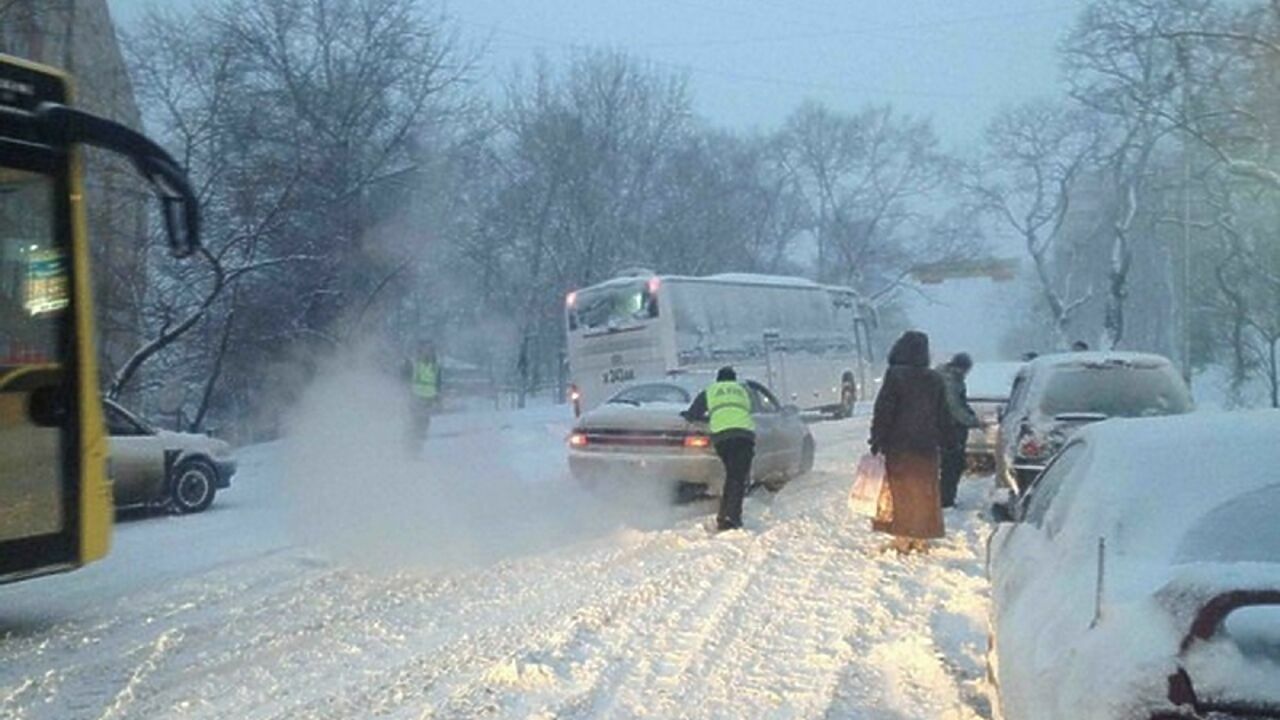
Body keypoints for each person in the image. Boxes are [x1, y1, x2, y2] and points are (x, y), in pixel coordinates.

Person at [869, 331, 950, 554]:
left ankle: (902, 537)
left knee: (901, 492)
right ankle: (921, 537)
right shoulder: (935, 378)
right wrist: (945, 440)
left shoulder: (895, 375)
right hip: (927, 447)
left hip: (900, 446)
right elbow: (943, 414)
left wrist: (877, 438)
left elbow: (884, 410)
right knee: (924, 492)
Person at [682, 366, 756, 532]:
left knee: (732, 475)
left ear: (718, 379)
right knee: (737, 477)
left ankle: (726, 516)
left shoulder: (711, 391)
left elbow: (693, 414)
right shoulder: (742, 390)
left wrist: (702, 416)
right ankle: (730, 518)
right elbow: (750, 409)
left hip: (722, 437)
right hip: (744, 435)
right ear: (733, 379)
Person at [936, 352, 980, 509]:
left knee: (951, 465)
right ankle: (945, 500)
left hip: (945, 428)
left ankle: (944, 498)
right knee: (952, 465)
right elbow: (954, 407)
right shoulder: (950, 381)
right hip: (949, 429)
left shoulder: (950, 378)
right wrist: (971, 421)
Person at [406, 342, 441, 451]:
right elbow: (407, 378)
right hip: (416, 396)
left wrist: (437, 397)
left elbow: (438, 382)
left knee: (424, 424)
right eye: (426, 350)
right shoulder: (415, 363)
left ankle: (417, 448)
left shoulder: (435, 366)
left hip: (428, 398)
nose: (428, 352)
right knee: (415, 422)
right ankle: (410, 447)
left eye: (430, 350)